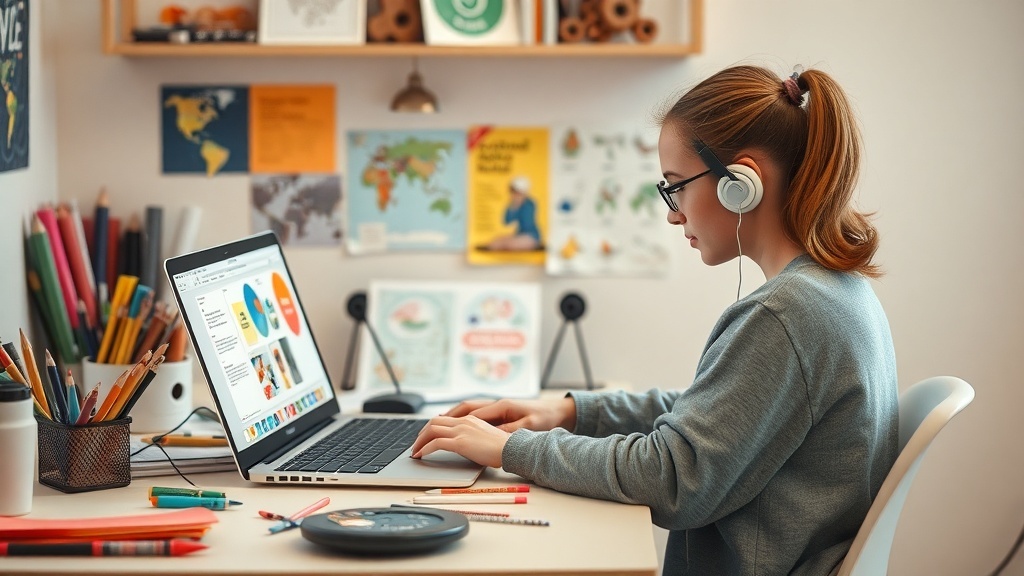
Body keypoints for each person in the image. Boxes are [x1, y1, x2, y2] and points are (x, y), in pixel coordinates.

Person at [412, 63, 899, 576]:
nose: (672, 213)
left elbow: (672, 481)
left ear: (741, 183)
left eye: (676, 186)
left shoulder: (786, 315)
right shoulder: (835, 291)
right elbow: (710, 414)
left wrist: (513, 449)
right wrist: (569, 412)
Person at [485, 175, 542, 251]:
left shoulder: (529, 204)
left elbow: (527, 224)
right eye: (512, 192)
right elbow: (506, 221)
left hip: (531, 237)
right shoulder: (514, 204)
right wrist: (514, 207)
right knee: (495, 242)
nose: (512, 195)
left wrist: (518, 205)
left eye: (515, 192)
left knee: (507, 244)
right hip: (520, 235)